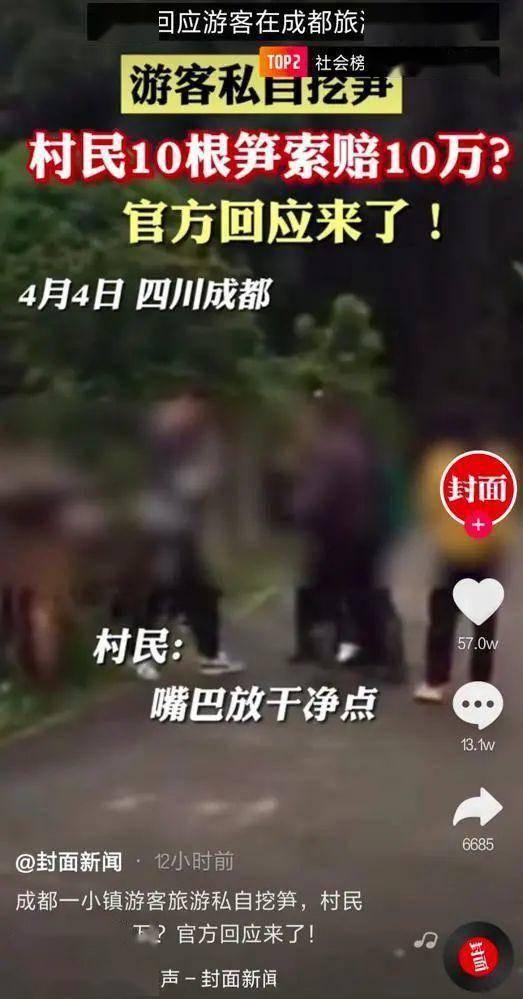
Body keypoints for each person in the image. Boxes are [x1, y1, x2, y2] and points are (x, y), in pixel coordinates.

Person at [290, 395, 405, 681]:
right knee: (364, 594)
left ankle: (335, 650)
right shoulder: (361, 447)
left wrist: (297, 513)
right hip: (365, 531)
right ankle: (376, 653)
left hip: (339, 534)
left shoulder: (333, 451)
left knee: (331, 593)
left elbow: (317, 495)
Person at [137, 388, 244, 680]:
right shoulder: (169, 437)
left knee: (182, 592)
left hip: (175, 527)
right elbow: (186, 485)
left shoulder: (182, 435)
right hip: (166, 527)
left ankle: (207, 653)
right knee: (170, 592)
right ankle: (150, 654)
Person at [414, 412, 515, 704]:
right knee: (483, 623)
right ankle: (479, 681)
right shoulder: (501, 459)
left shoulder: (441, 460)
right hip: (487, 552)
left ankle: (436, 680)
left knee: (443, 618)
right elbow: (509, 504)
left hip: (453, 551)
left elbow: (427, 504)